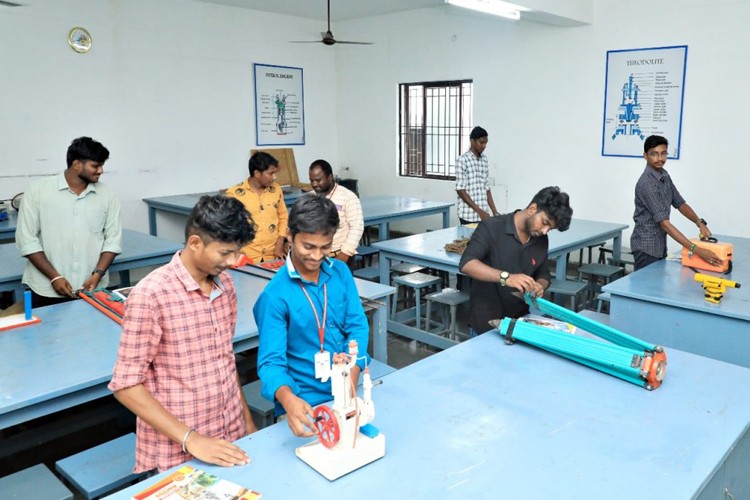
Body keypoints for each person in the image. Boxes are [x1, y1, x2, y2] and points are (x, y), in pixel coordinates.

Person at [108, 195, 257, 473]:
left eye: (237, 252)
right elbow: (125, 385)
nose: (235, 261)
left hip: (229, 435)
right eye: (225, 253)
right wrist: (193, 439)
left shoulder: (225, 285)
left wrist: (245, 420)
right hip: (179, 449)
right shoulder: (151, 295)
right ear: (195, 243)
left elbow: (224, 360)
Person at [254, 196, 371, 438]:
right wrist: (288, 400)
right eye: (308, 246)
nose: (317, 257)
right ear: (289, 234)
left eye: (325, 247)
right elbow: (271, 363)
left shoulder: (340, 273)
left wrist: (353, 373)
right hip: (304, 404)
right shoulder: (275, 296)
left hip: (347, 391)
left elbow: (358, 327)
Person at [15, 136, 122, 308]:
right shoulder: (38, 191)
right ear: (77, 164)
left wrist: (97, 274)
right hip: (45, 290)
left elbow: (113, 241)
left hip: (92, 289)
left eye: (102, 165)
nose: (101, 170)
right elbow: (27, 241)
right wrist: (55, 277)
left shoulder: (107, 194)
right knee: (46, 335)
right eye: (95, 165)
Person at [459, 186, 573, 335]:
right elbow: (467, 264)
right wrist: (506, 277)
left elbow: (544, 273)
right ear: (532, 208)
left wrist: (540, 286)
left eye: (550, 229)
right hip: (486, 325)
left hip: (520, 323)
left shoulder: (540, 240)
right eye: (545, 223)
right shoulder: (492, 227)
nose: (545, 231)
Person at [631, 135, 721, 271]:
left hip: (659, 243)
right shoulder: (647, 183)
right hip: (646, 246)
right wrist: (696, 250)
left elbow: (680, 203)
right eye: (654, 154)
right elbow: (665, 224)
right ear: (645, 156)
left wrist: (699, 222)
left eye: (663, 153)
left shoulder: (664, 176)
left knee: (657, 285)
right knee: (646, 289)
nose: (660, 158)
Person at [225, 151, 288, 262]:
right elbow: (228, 227)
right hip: (246, 256)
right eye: (270, 173)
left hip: (273, 255)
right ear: (257, 173)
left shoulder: (276, 189)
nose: (274, 177)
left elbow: (283, 217)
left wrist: (280, 244)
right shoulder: (234, 194)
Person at [308, 159, 364, 263]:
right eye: (312, 181)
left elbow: (357, 228)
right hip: (316, 256)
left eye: (318, 180)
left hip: (340, 255)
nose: (314, 184)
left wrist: (345, 253)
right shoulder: (310, 198)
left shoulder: (348, 197)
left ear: (330, 177)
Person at [455, 126, 499, 224]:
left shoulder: (484, 159)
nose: (484, 146)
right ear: (472, 141)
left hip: (483, 215)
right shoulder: (462, 160)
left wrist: (494, 211)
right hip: (468, 215)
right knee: (468, 239)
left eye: (486, 143)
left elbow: (486, 187)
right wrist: (479, 211)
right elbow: (460, 190)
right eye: (481, 142)